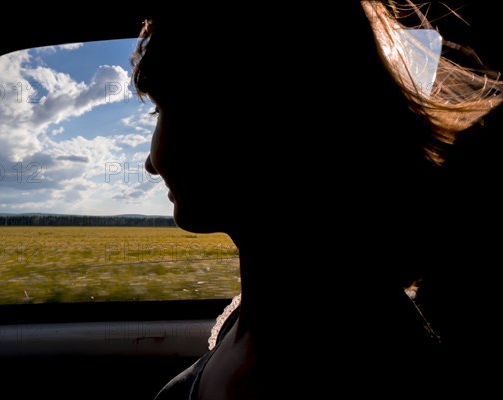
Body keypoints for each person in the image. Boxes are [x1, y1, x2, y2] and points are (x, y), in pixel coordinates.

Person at [131, 2, 503, 398]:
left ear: (248, 118)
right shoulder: (263, 319)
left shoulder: (345, 363)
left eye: (163, 108)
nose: (151, 163)